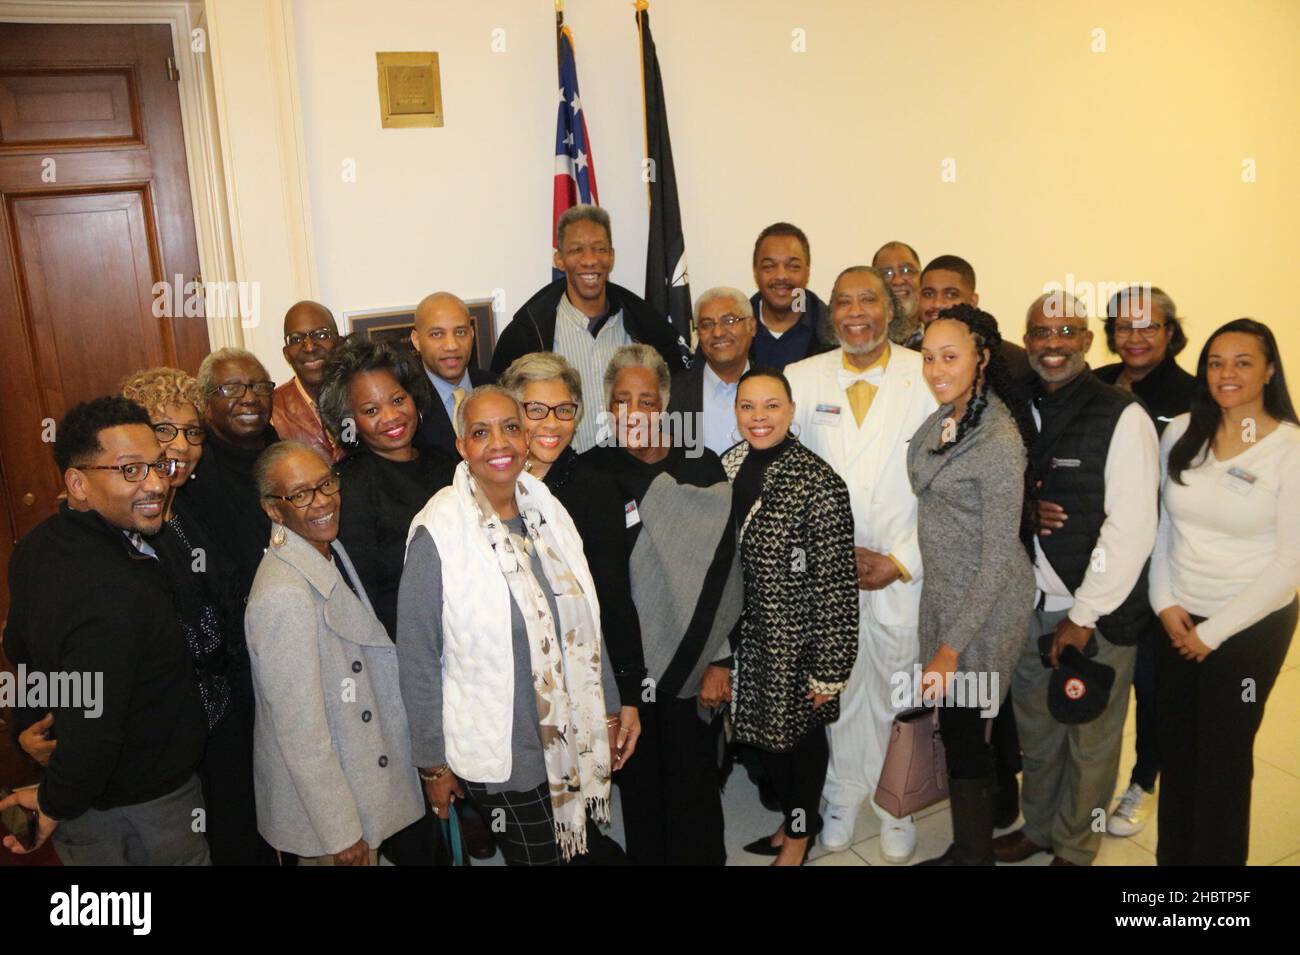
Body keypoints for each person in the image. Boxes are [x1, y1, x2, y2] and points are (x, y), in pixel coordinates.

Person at [397, 386, 625, 865]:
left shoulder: (548, 509)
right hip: (501, 749)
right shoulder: (438, 531)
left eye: (511, 427)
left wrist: (609, 707)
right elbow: (416, 656)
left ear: (526, 439)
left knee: (580, 851)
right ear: (463, 446)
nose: (498, 443)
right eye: (481, 432)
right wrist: (432, 766)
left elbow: (585, 615)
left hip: (572, 731)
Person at [1, 397, 209, 864]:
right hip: (144, 813)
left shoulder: (37, 547)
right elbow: (96, 724)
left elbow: (21, 648)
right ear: (77, 483)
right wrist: (56, 801)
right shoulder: (110, 586)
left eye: (157, 465)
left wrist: (33, 732)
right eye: (130, 470)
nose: (156, 482)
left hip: (87, 801)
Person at [994, 291, 1159, 867]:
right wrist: (1029, 509)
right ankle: (1038, 828)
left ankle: (1076, 844)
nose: (1052, 344)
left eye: (1066, 332)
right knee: (1037, 732)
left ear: (1087, 341)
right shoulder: (1020, 408)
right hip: (1029, 603)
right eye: (1040, 333)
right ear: (1028, 341)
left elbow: (1133, 528)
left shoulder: (1122, 415)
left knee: (1089, 739)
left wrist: (1084, 616)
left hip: (1096, 614)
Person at [784, 266, 938, 863]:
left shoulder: (926, 378)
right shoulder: (801, 379)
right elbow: (784, 471)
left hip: (901, 568)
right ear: (830, 314)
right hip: (829, 572)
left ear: (890, 308)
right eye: (843, 301)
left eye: (867, 299)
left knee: (897, 687)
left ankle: (895, 803)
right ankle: (843, 793)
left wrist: (901, 561)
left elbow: (949, 493)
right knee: (836, 689)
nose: (855, 312)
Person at [583, 345, 742, 865]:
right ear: (608, 407)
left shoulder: (699, 464)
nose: (635, 412)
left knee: (694, 786)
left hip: (694, 657)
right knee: (641, 787)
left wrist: (719, 658)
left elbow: (724, 572)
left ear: (665, 406)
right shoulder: (592, 473)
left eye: (646, 400)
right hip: (625, 666)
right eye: (622, 400)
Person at [1149, 319, 1299, 866]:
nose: (1226, 374)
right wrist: (1165, 604)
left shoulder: (1289, 449)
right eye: (1216, 362)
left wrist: (1212, 634)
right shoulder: (1183, 430)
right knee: (1178, 752)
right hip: (1178, 615)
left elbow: (1288, 565)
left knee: (1224, 761)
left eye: (1243, 362)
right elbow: (1164, 529)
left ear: (1269, 371)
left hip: (1249, 626)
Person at [245, 441, 425, 865]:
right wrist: (341, 834)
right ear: (274, 509)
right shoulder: (283, 595)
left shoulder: (328, 550)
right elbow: (301, 733)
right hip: (332, 817)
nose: (322, 501)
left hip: (360, 785)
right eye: (301, 494)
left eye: (326, 484)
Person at [120, 367, 272, 865]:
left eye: (191, 433)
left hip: (225, 714)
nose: (181, 447)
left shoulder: (187, 506)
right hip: (174, 736)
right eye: (164, 431)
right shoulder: (123, 523)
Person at [907, 305, 1038, 865]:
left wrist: (949, 650)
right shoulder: (947, 414)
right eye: (929, 357)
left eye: (950, 356)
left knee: (965, 738)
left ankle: (972, 855)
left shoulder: (999, 439)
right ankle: (981, 835)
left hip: (985, 606)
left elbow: (996, 559)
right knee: (978, 725)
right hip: (946, 592)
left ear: (982, 356)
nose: (936, 368)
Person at [721, 367, 859, 866]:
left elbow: (838, 586)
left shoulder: (819, 484)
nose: (759, 418)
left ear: (792, 411)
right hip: (745, 640)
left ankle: (800, 836)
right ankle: (794, 819)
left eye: (771, 405)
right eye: (747, 406)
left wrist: (830, 669)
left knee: (795, 747)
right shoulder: (730, 465)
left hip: (795, 647)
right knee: (761, 746)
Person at [498, 352, 647, 738]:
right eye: (536, 410)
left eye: (564, 410)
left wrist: (629, 694)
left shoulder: (596, 489)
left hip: (580, 675)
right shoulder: (487, 485)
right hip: (503, 677)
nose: (552, 423)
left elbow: (613, 596)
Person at [1094, 285, 1195, 837]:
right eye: (1124, 327)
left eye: (1147, 326)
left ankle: (1144, 781)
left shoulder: (1193, 395)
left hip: (1162, 562)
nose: (1134, 337)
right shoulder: (1099, 381)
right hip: (1103, 559)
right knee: (1101, 679)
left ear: (1170, 333)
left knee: (1152, 686)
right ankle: (1092, 782)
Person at [491, 204, 687, 452]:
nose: (590, 260)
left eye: (599, 249)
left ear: (612, 256)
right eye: (577, 250)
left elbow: (674, 401)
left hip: (636, 478)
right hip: (562, 482)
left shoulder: (647, 328)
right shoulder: (527, 335)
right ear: (559, 259)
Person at [318, 337, 456, 639]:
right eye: (370, 410)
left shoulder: (448, 465)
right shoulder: (349, 485)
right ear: (349, 422)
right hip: (402, 645)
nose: (391, 417)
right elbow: (361, 592)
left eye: (397, 400)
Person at [185, 347, 280, 597]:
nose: (249, 398)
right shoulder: (191, 473)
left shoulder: (291, 462)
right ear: (205, 404)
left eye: (260, 386)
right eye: (231, 389)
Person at [410, 291, 498, 459]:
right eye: (437, 334)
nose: (451, 346)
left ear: (472, 334)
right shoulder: (406, 403)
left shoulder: (496, 386)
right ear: (416, 340)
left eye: (460, 332)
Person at [668, 286, 754, 456]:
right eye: (707, 324)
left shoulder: (776, 389)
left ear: (751, 326)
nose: (718, 332)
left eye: (729, 320)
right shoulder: (671, 393)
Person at [916, 256, 1032, 381]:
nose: (937, 303)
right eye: (928, 294)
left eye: (950, 294)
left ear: (972, 302)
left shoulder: (1015, 361)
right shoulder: (907, 357)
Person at [749, 222, 833, 369]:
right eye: (769, 266)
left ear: (807, 272)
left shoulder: (835, 334)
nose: (781, 276)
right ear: (755, 272)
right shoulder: (733, 333)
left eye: (793, 266)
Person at [271, 300, 345, 463]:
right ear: (286, 353)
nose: (310, 347)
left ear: (339, 343)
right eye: (296, 339)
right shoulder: (271, 411)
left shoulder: (362, 396)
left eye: (321, 334)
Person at [873, 241, 923, 347]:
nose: (897, 281)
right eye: (886, 273)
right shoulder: (864, 342)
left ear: (921, 278)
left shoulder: (941, 334)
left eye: (906, 270)